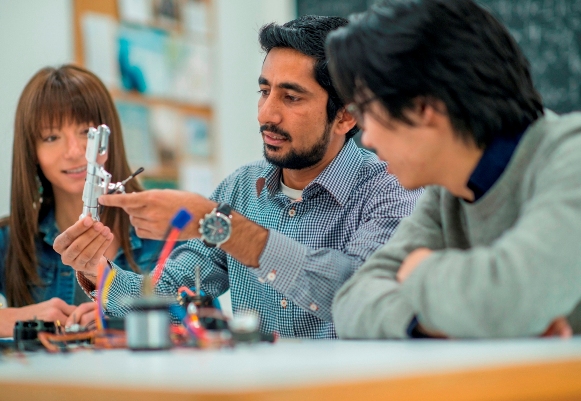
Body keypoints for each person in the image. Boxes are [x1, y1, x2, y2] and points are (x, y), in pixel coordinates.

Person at [54, 16, 423, 339]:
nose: (267, 114)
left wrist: (220, 225)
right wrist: (97, 269)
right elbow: (170, 295)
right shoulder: (240, 189)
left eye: (291, 98)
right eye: (264, 92)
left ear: (345, 116)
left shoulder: (391, 193)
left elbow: (356, 294)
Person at [325, 0, 581, 339]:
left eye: (366, 110)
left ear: (424, 107)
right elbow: (350, 301)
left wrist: (418, 270)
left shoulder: (570, 155)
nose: (366, 138)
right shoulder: (446, 193)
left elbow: (513, 297)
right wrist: (435, 323)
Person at [0, 65, 160, 337]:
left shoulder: (163, 232)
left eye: (87, 132)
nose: (74, 152)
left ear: (109, 139)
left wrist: (122, 322)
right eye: (51, 137)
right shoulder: (10, 240)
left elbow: (202, 322)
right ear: (32, 151)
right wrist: (15, 319)